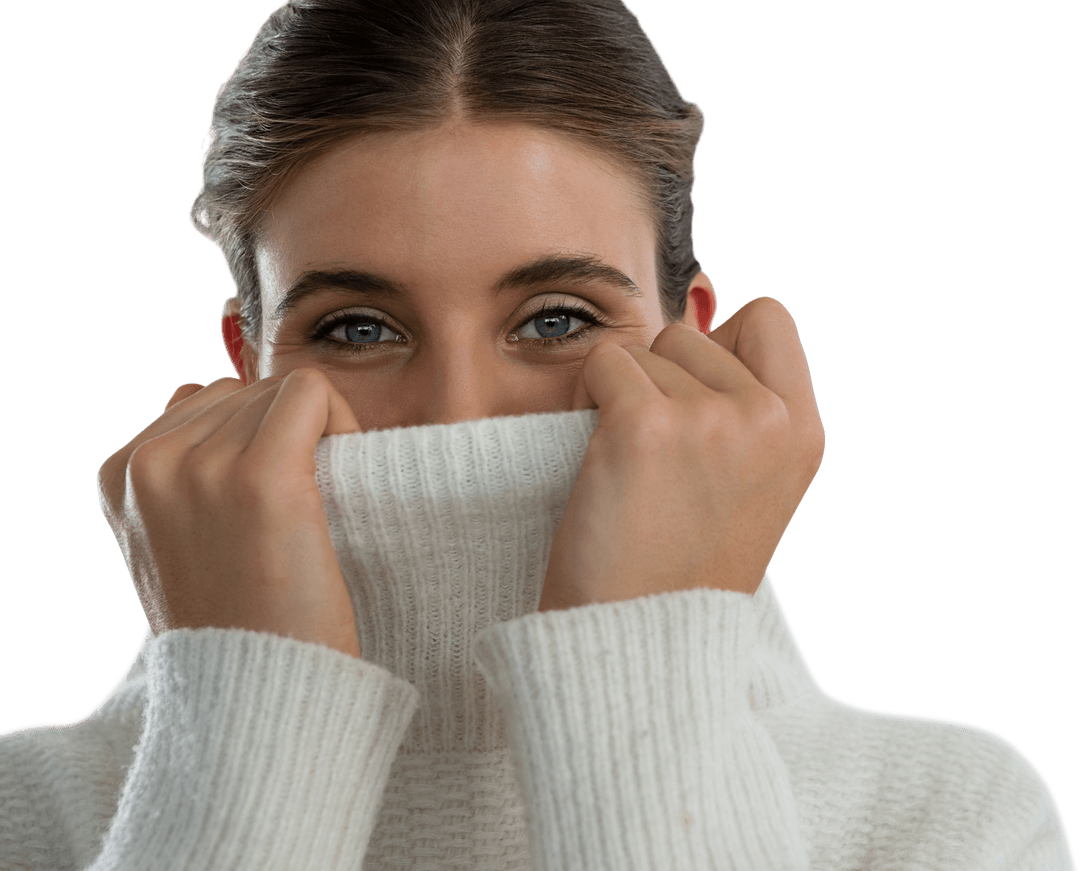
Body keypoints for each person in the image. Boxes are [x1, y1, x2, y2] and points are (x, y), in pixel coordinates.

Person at [0, 0, 1074, 868]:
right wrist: (245, 712)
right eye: (357, 328)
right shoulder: (27, 817)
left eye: (555, 320)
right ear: (248, 363)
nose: (460, 412)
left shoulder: (946, 815)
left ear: (685, 343)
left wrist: (646, 670)